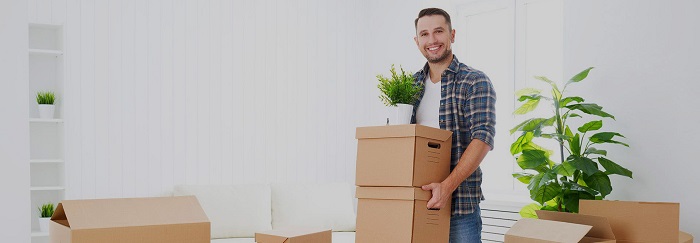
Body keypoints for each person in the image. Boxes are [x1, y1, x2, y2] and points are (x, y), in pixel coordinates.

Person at [412, 8, 496, 243]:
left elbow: (483, 137)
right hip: (418, 203)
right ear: (417, 40)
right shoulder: (411, 86)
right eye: (425, 34)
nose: (432, 40)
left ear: (452, 35)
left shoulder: (474, 81)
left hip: (460, 207)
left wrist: (447, 187)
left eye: (438, 31)